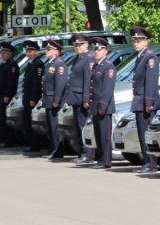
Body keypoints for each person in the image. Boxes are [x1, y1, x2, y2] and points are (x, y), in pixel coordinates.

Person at [130, 26, 160, 174]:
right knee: (142, 133)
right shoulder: (141, 57)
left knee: (147, 133)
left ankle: (151, 163)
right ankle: (146, 161)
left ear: (146, 42)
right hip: (139, 100)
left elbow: (151, 81)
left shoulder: (150, 57)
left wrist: (149, 101)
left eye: (139, 40)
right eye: (134, 40)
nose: (136, 43)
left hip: (145, 102)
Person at [67, 34, 95, 164]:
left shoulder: (88, 58)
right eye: (75, 45)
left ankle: (88, 154)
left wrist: (86, 99)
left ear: (86, 45)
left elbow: (88, 80)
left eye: (80, 44)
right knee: (79, 127)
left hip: (82, 98)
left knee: (84, 127)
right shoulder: (78, 58)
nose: (77, 47)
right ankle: (82, 152)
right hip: (75, 97)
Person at [89, 36, 116, 169]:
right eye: (94, 49)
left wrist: (103, 105)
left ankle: (106, 160)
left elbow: (107, 88)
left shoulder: (108, 66)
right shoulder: (96, 66)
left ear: (105, 51)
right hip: (95, 105)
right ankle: (100, 159)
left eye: (99, 49)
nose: (96, 52)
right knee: (98, 134)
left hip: (103, 106)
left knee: (104, 135)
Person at [42, 40, 68, 159]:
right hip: (48, 98)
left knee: (55, 127)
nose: (46, 52)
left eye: (49, 50)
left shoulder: (60, 64)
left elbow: (60, 84)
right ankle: (53, 148)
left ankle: (58, 150)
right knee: (51, 127)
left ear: (56, 51)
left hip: (54, 99)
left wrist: (57, 100)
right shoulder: (51, 63)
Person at [20, 40, 45, 153]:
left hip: (32, 98)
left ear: (35, 51)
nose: (28, 53)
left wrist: (33, 99)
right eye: (27, 51)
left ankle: (35, 145)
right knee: (27, 122)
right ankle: (31, 143)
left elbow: (36, 83)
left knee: (32, 122)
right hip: (27, 97)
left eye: (30, 51)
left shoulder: (38, 64)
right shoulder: (30, 64)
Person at [0, 41, 20, 148]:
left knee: (6, 118)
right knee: (2, 118)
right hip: (0, 95)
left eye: (5, 52)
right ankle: (6, 139)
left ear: (10, 53)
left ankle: (10, 140)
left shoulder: (12, 65)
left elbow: (12, 82)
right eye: (1, 52)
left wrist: (7, 95)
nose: (2, 54)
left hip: (6, 96)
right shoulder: (3, 64)